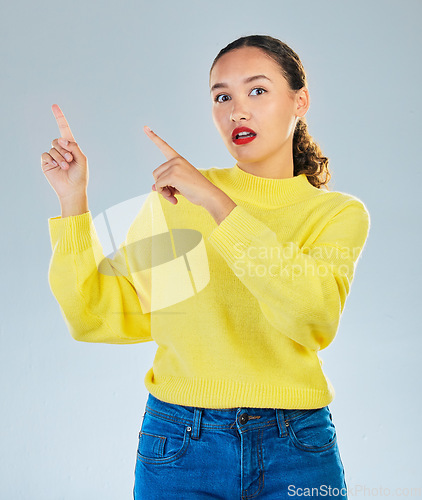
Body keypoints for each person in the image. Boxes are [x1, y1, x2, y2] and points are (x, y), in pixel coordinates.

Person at [42, 34, 370, 499]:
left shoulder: (337, 214)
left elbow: (312, 318)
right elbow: (95, 317)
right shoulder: (178, 201)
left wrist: (220, 205)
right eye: (222, 96)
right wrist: (72, 200)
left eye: (257, 90)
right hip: (180, 442)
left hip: (296, 444)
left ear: (301, 101)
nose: (237, 110)